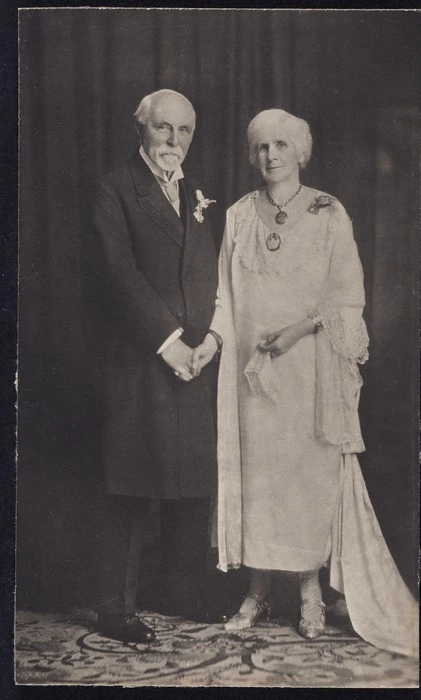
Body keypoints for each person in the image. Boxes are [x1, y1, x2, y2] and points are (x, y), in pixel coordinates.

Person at [192, 109, 418, 657]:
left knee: (304, 476)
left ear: (300, 152)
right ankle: (256, 591)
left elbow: (347, 298)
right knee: (260, 475)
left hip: (307, 368)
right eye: (262, 147)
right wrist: (213, 344)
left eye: (282, 146)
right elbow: (224, 295)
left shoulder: (328, 211)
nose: (271, 155)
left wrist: (297, 330)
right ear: (253, 155)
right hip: (251, 372)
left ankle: (310, 590)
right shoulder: (242, 214)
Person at [91, 89, 222, 643]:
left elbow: (212, 273)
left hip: (196, 359)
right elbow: (118, 274)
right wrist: (169, 343)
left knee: (189, 480)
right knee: (131, 483)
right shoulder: (114, 189)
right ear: (140, 129)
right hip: (142, 360)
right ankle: (115, 609)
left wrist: (209, 340)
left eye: (184, 131)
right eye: (163, 129)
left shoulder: (194, 190)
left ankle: (182, 590)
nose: (173, 141)